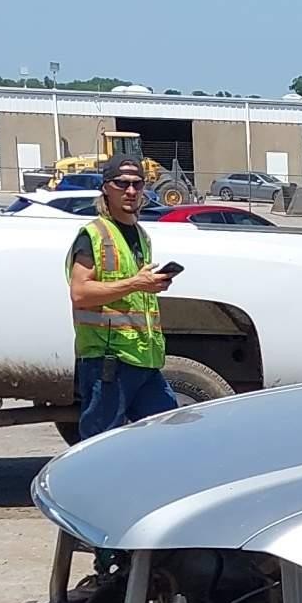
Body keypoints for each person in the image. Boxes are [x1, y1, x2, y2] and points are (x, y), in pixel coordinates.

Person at [65, 156, 175, 439]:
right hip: (108, 361)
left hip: (144, 358)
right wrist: (136, 283)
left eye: (137, 184)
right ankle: (90, 485)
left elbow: (134, 291)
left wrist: (151, 285)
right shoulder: (94, 235)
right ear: (106, 188)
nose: (130, 191)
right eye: (121, 184)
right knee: (101, 443)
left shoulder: (141, 235)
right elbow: (80, 293)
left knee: (167, 435)